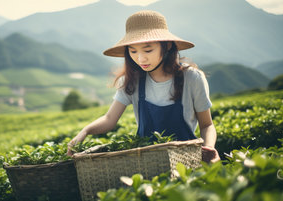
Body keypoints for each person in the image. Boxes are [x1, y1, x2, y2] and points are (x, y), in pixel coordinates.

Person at [67, 10, 220, 163]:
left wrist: (209, 148)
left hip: (187, 160)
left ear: (166, 46)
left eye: (148, 50)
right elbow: (109, 119)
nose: (140, 58)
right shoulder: (132, 80)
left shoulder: (192, 78)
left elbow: (206, 125)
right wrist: (85, 131)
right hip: (146, 164)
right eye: (133, 51)